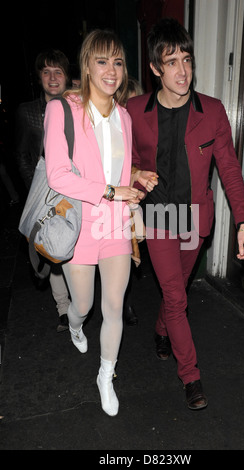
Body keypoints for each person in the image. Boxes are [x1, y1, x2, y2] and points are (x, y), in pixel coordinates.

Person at [127, 18, 244, 411]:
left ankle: (162, 329)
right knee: (175, 294)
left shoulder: (213, 111)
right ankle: (191, 376)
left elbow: (230, 170)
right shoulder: (133, 111)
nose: (182, 71)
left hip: (194, 218)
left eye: (187, 59)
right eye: (171, 62)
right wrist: (132, 173)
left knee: (176, 290)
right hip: (158, 215)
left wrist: (243, 222)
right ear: (154, 68)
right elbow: (121, 161)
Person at [43, 29, 148, 417]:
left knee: (114, 305)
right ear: (86, 65)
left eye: (118, 62)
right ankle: (73, 324)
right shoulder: (62, 109)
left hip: (115, 225)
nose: (111, 70)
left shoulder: (124, 115)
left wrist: (132, 186)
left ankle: (107, 374)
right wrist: (109, 190)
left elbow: (120, 173)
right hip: (79, 224)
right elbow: (57, 175)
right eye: (102, 61)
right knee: (84, 305)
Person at [15, 49, 71, 332]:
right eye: (46, 72)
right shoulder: (27, 112)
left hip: (73, 189)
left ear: (67, 76)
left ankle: (81, 301)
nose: (52, 77)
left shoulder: (77, 107)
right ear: (39, 77)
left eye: (58, 71)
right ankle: (63, 308)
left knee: (74, 246)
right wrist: (34, 187)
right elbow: (22, 155)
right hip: (44, 190)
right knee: (52, 247)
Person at [123, 76, 145, 326]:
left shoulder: (142, 126)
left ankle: (124, 301)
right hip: (110, 195)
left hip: (135, 195)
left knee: (129, 249)